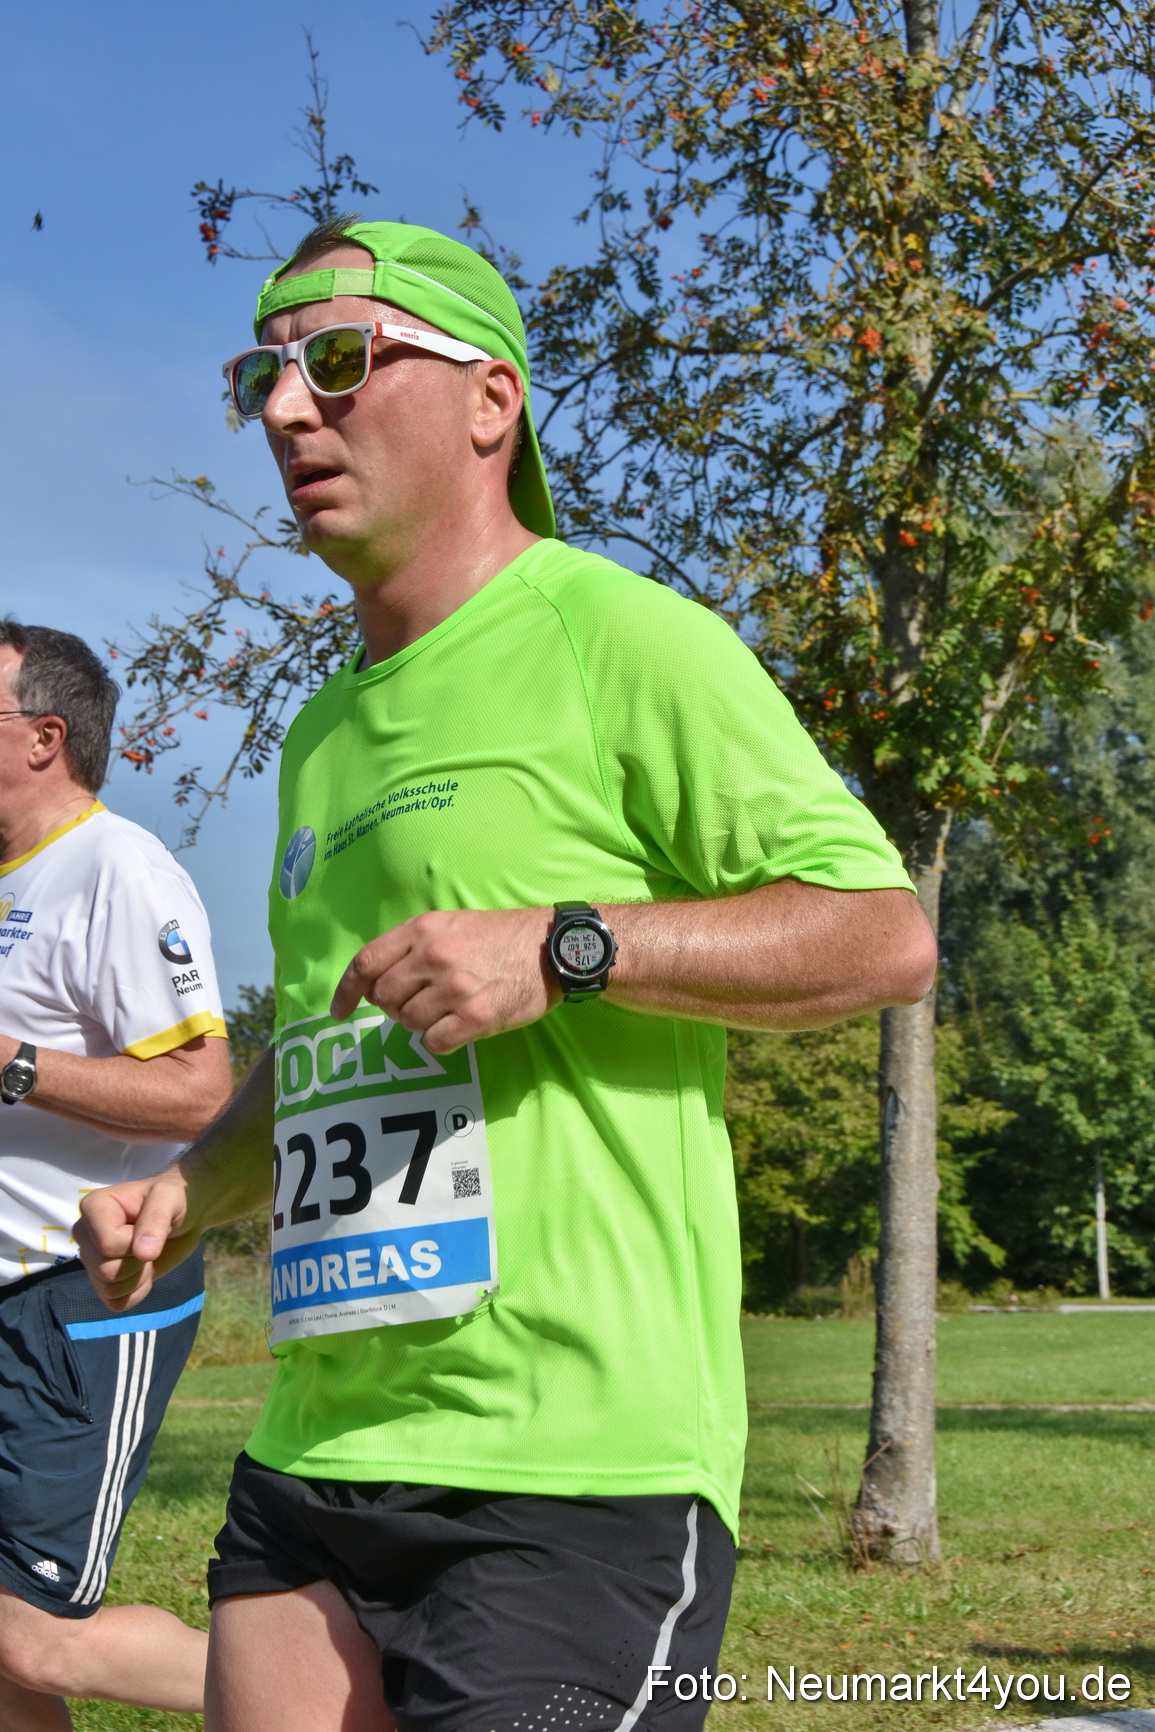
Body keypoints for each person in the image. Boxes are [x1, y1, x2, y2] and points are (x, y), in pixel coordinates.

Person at [77, 217, 938, 1732]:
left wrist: (565, 946)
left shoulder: (619, 639)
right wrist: (188, 1194)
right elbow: (334, 1048)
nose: (287, 411)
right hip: (313, 1451)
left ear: (490, 401)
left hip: (566, 1466)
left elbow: (881, 933)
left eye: (339, 363)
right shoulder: (320, 732)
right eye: (261, 377)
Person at [0, 620, 231, 1730]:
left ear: (45, 736)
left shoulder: (117, 867)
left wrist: (13, 1066)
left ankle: (365, 1698)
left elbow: (200, 1090)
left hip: (83, 1290)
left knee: (35, 1631)